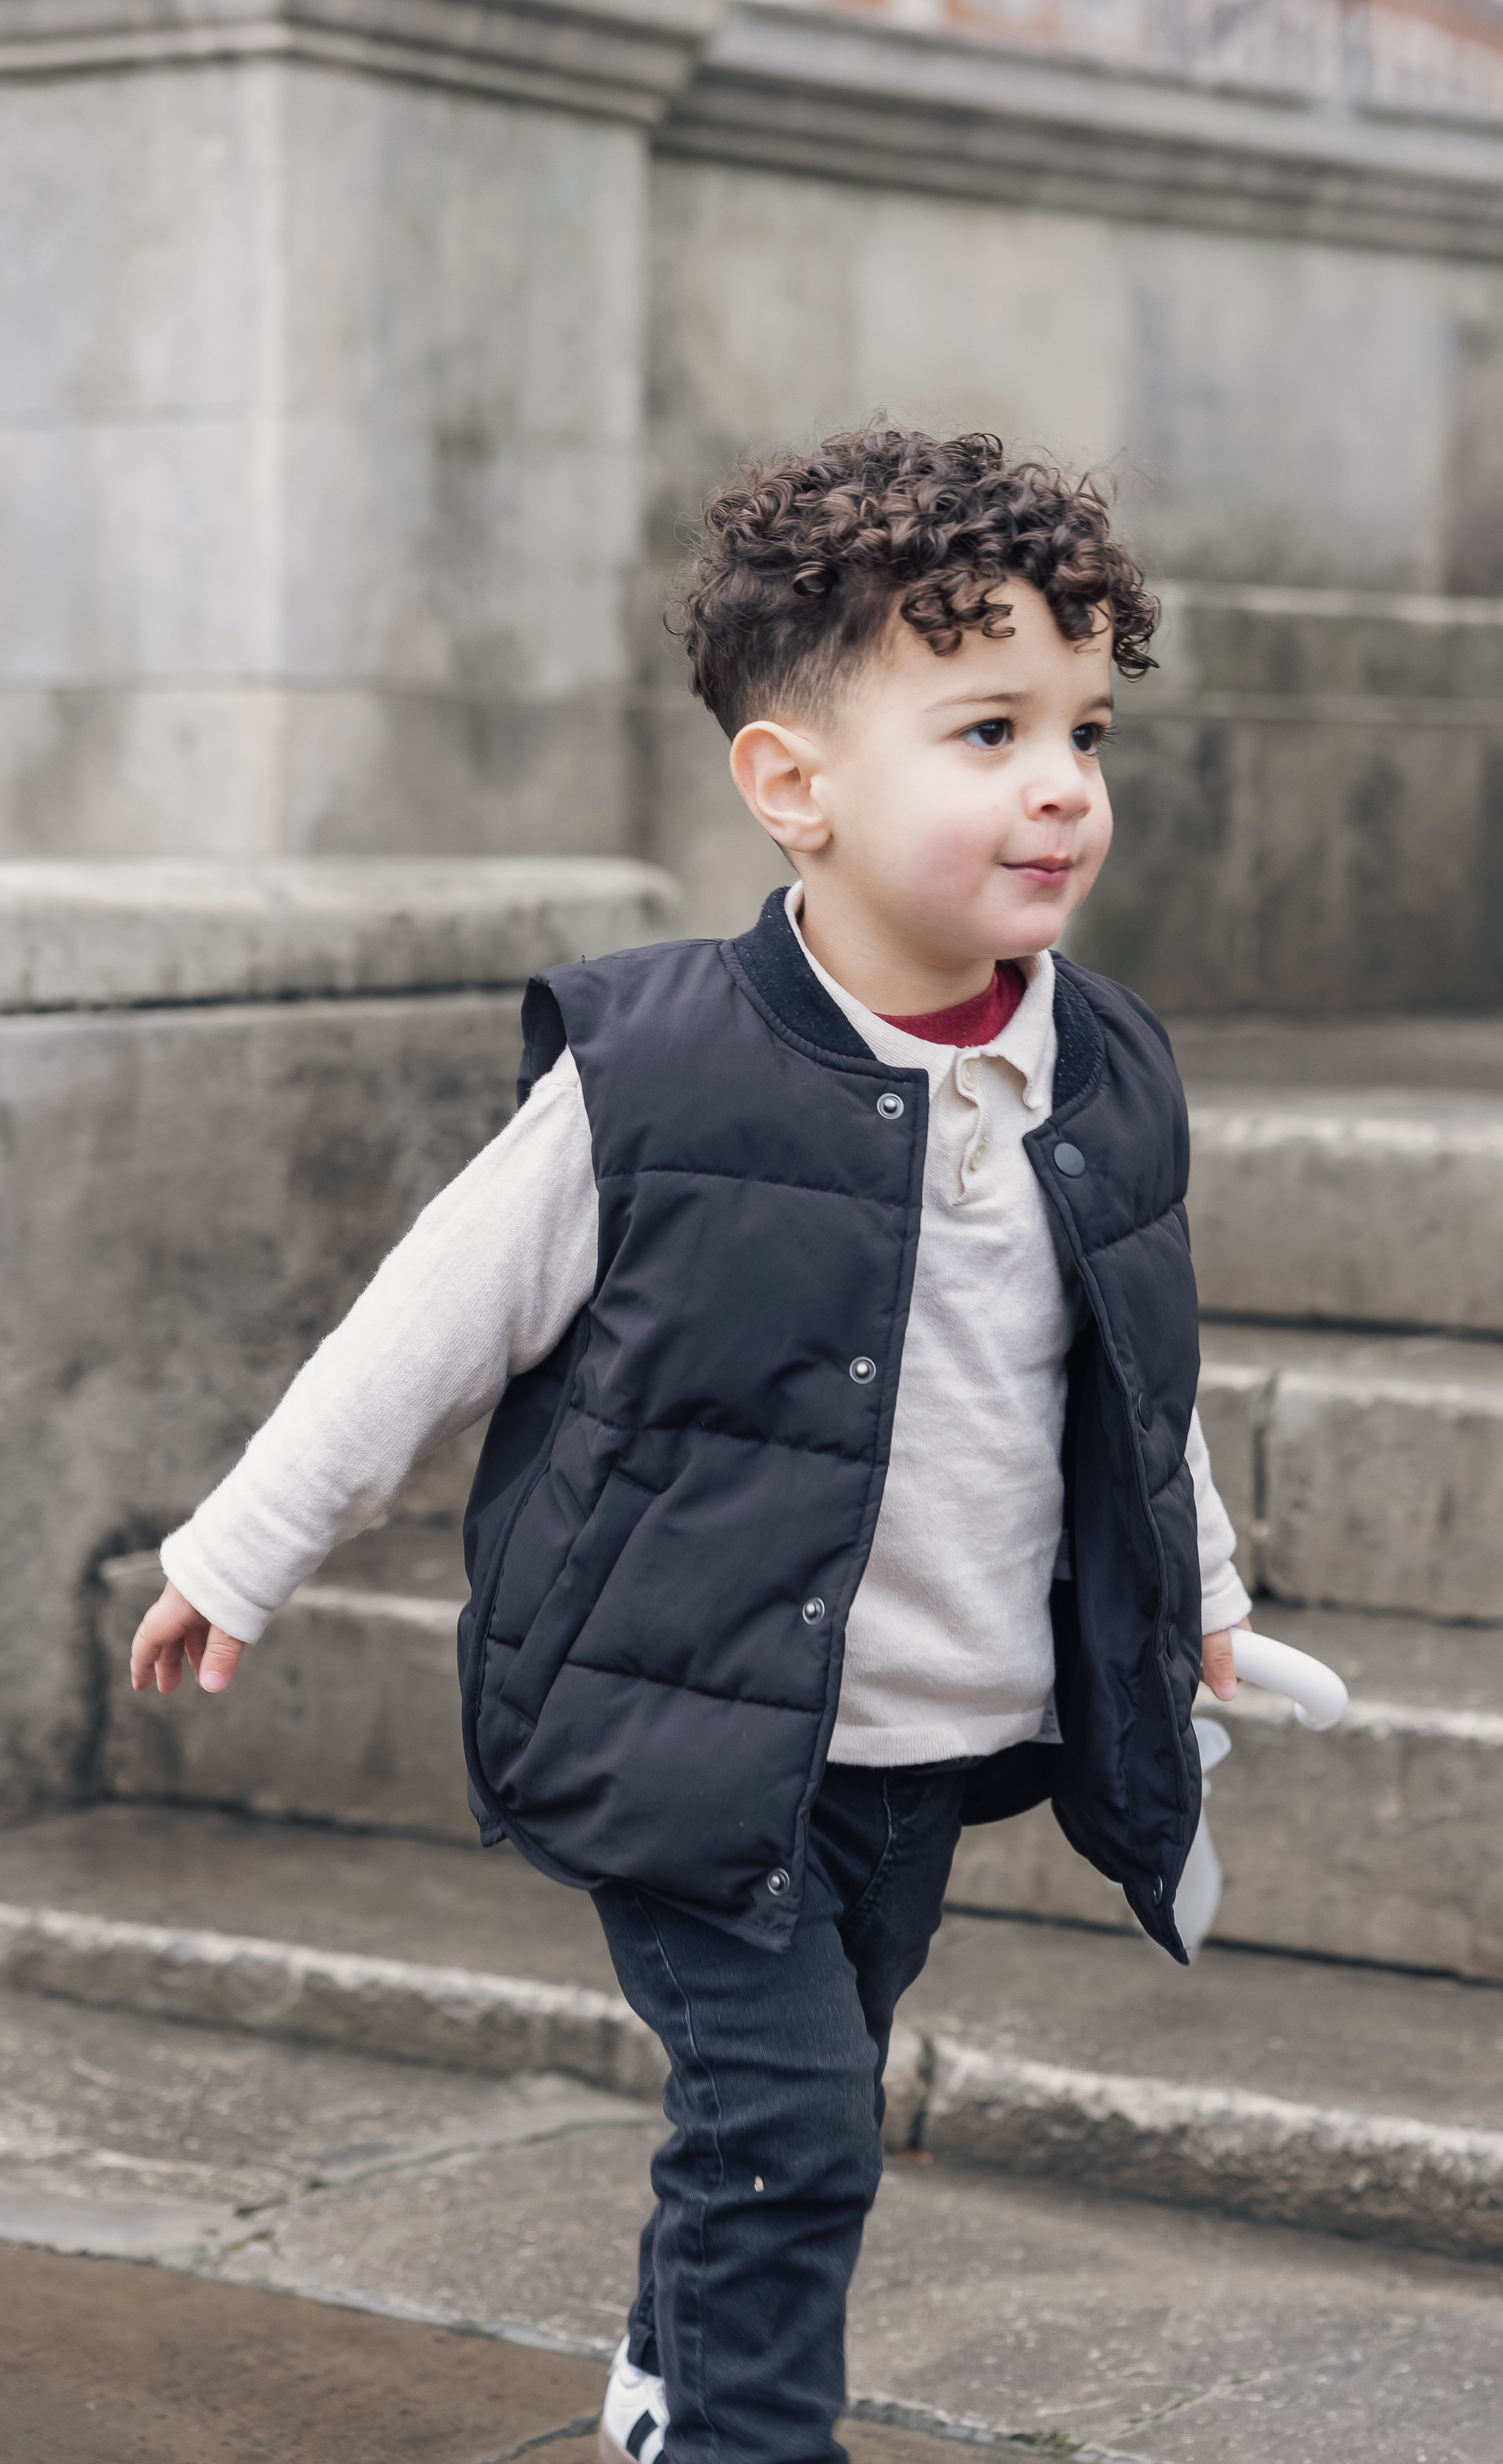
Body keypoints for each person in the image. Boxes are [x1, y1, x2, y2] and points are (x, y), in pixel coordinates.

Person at [129, 424, 1255, 2464]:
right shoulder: (654, 1071)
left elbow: (1136, 1368)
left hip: (927, 1739)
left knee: (776, 2117)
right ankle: (741, 2435)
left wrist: (1201, 1599)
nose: (1063, 786)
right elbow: (424, 1321)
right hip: (676, 1727)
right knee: (804, 2132)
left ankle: (666, 2370)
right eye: (990, 726)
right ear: (792, 787)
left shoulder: (1100, 1060)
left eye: (1088, 728)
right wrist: (240, 1547)